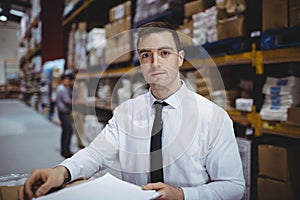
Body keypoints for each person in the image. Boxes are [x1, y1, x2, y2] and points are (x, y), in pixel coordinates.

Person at [19, 21, 245, 200]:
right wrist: (62, 171)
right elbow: (96, 154)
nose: (155, 62)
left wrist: (183, 195)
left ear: (180, 59)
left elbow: (233, 187)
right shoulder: (126, 112)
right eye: (146, 54)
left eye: (164, 53)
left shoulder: (213, 117)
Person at [56, 73, 74, 158]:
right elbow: (68, 101)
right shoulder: (62, 89)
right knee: (68, 131)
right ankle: (65, 152)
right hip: (63, 113)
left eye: (68, 80)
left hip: (64, 112)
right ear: (62, 80)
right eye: (65, 80)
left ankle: (65, 150)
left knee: (66, 131)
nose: (67, 81)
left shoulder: (64, 88)